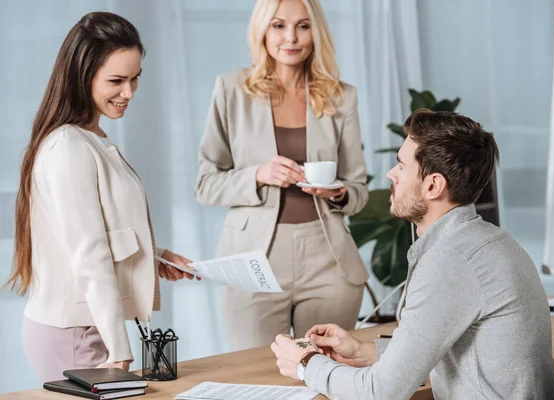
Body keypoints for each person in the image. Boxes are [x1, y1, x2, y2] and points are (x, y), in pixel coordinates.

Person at [271, 109, 554, 399]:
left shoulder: (450, 261)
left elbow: (380, 392)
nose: (391, 174)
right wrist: (364, 353)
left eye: (401, 166)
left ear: (433, 186)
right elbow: (451, 345)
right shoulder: (489, 241)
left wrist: (306, 364)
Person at [4, 11, 197, 382]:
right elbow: (88, 255)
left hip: (85, 328)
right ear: (83, 75)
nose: (129, 93)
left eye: (136, 78)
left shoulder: (89, 138)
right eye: (117, 80)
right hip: (76, 334)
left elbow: (95, 234)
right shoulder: (68, 148)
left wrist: (151, 256)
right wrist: (118, 350)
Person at [195, 0, 369, 351]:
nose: (291, 37)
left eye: (303, 26)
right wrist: (258, 174)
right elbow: (206, 184)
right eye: (278, 26)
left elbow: (359, 188)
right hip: (255, 260)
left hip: (328, 258)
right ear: (262, 30)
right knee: (256, 375)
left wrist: (338, 193)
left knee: (327, 373)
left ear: (315, 31)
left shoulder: (340, 96)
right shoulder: (231, 89)